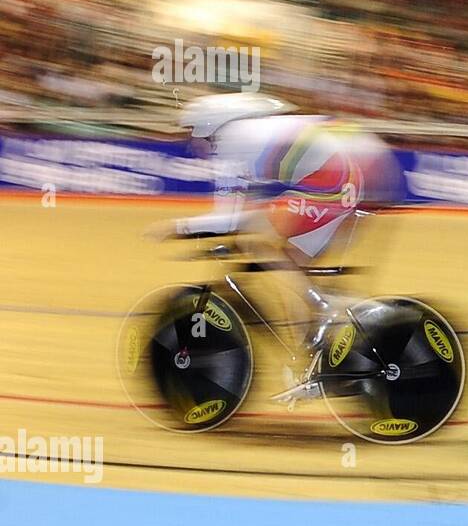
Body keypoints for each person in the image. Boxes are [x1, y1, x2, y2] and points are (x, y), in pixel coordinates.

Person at [156, 93, 404, 400]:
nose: (196, 145)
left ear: (211, 127)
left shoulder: (234, 139)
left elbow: (228, 217)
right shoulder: (262, 134)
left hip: (346, 175)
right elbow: (253, 209)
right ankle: (324, 343)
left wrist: (178, 228)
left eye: (194, 134)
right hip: (369, 166)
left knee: (262, 245)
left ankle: (325, 311)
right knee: (288, 256)